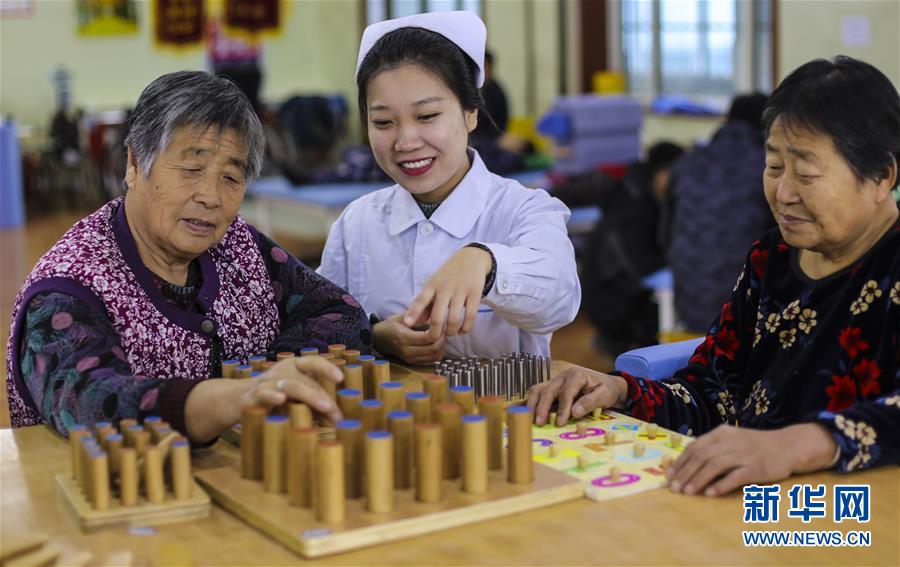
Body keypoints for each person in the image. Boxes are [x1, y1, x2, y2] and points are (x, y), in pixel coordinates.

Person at [527, 56, 899, 495]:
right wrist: (618, 390)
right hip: (750, 506)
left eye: (807, 174)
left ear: (881, 176)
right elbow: (713, 391)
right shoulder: (772, 258)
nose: (782, 193)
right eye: (774, 167)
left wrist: (801, 445)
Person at [6, 71, 372, 443]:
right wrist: (237, 396)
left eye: (231, 178)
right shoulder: (67, 288)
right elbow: (88, 403)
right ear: (133, 164)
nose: (211, 197)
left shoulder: (238, 245)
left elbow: (339, 312)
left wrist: (275, 379)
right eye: (192, 170)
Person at [318, 11, 579, 365]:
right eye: (383, 122)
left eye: (426, 117)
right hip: (391, 417)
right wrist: (374, 335)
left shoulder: (524, 209)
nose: (406, 141)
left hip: (503, 417)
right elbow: (322, 320)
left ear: (471, 112)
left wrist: (485, 262)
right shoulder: (357, 223)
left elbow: (559, 301)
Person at [552, 141, 685, 354]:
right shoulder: (634, 208)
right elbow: (641, 264)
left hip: (611, 289)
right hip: (611, 300)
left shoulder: (635, 192)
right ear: (663, 175)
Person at [664, 93, 774, 332]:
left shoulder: (687, 161)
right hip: (744, 306)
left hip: (688, 299)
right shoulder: (767, 167)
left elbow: (664, 233)